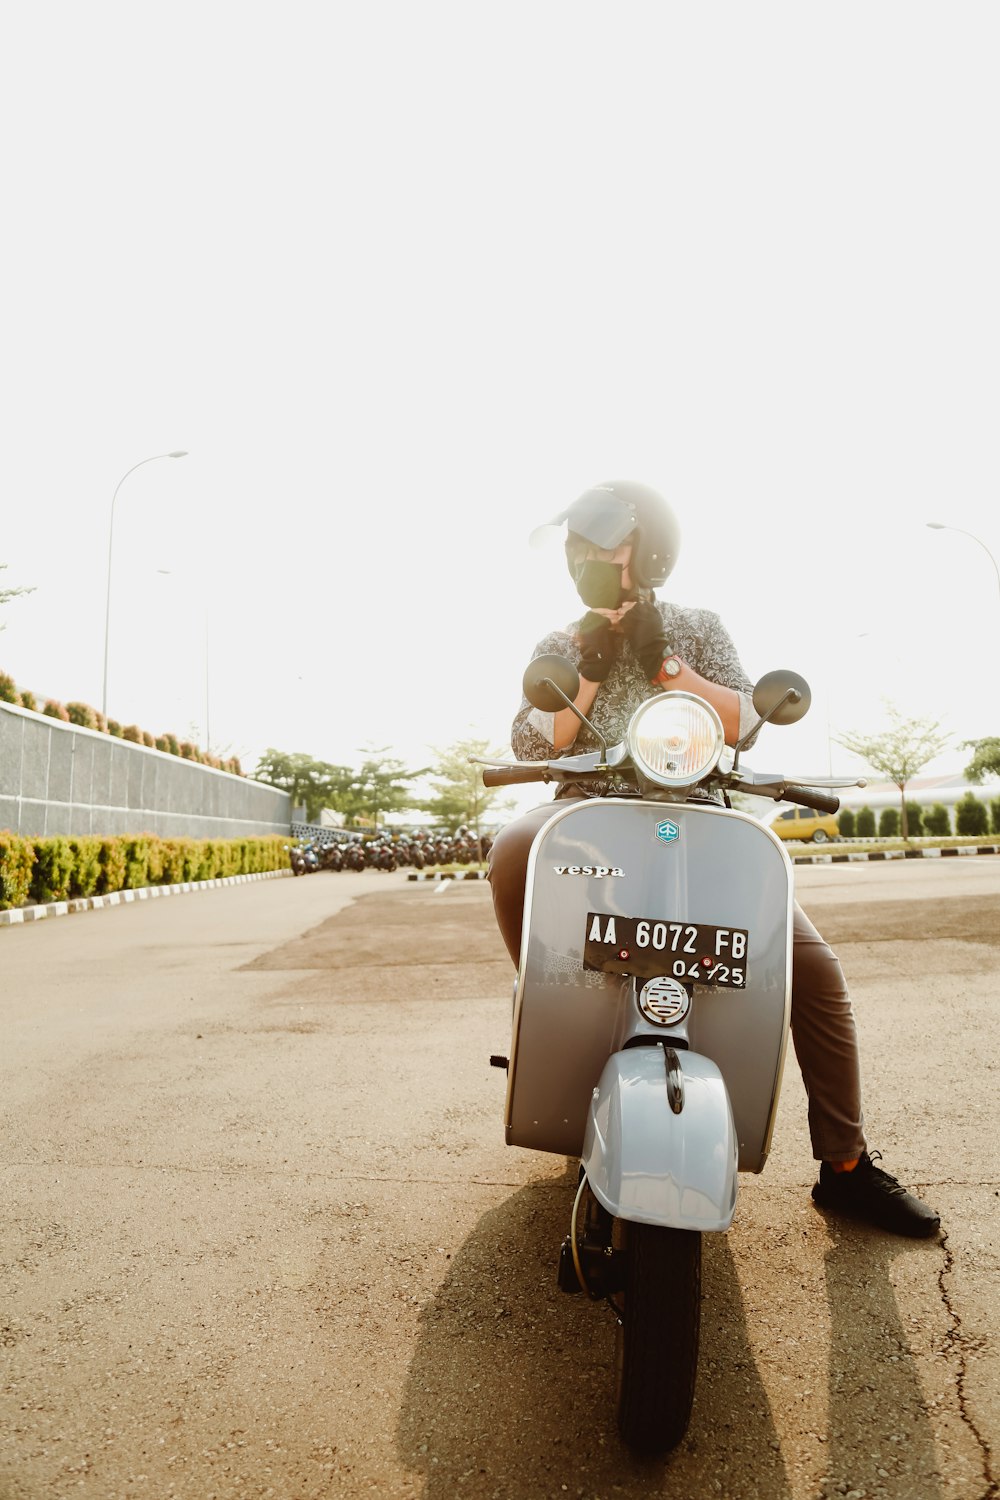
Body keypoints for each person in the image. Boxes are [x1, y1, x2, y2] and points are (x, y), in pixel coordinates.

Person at [487, 480, 940, 1239]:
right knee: (510, 854)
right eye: (580, 547)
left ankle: (847, 1166)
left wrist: (669, 666)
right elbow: (535, 743)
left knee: (815, 971)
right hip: (589, 822)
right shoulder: (560, 642)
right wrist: (592, 663)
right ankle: (550, 1003)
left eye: (608, 544)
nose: (590, 558)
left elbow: (743, 724)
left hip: (701, 820)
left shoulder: (697, 626)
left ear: (650, 549)